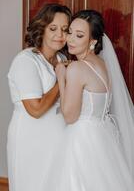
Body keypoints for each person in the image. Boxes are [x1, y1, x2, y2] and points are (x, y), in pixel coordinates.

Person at [43, 10, 134, 190]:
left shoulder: (76, 68)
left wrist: (61, 76)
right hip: (103, 138)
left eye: (79, 35)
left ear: (92, 42)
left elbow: (70, 117)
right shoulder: (102, 64)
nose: (70, 39)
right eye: (70, 32)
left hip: (81, 141)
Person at [7, 3, 71, 191]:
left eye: (65, 30)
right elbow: (35, 110)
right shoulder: (26, 60)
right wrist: (61, 80)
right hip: (31, 140)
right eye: (53, 28)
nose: (60, 35)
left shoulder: (61, 59)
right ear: (42, 28)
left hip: (59, 141)